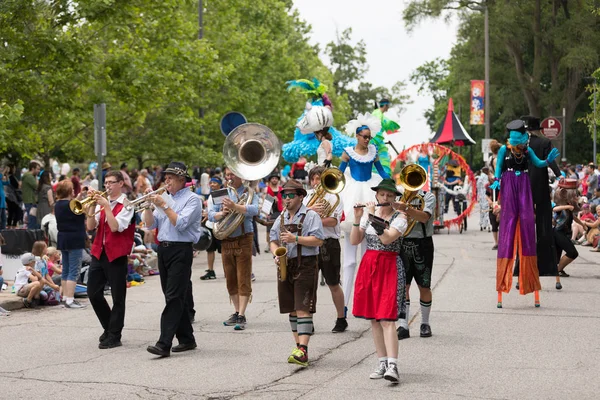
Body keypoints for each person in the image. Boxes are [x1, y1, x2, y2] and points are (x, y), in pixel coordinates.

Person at [491, 120, 560, 308]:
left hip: (523, 187)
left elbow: (538, 163)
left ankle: (530, 280)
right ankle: (503, 281)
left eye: (522, 143)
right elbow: (498, 167)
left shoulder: (527, 151)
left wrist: (547, 161)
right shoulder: (505, 150)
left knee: (528, 227)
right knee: (508, 226)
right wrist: (497, 180)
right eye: (518, 143)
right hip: (509, 185)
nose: (521, 146)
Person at [350, 179, 407, 384]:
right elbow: (355, 241)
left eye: (390, 196)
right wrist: (358, 219)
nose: (385, 198)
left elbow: (387, 238)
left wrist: (373, 216)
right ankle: (382, 362)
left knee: (387, 318)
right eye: (382, 194)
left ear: (394, 199)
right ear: (377, 196)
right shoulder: (367, 215)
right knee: (374, 318)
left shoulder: (401, 217)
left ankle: (393, 365)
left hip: (390, 265)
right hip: (369, 265)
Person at [143, 162, 202, 357]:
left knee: (174, 296)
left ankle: (164, 343)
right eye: (165, 177)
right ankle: (187, 339)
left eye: (170, 178)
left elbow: (181, 224)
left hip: (181, 249)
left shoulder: (193, 199)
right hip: (164, 249)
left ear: (182, 180)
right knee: (174, 296)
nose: (166, 181)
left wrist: (163, 205)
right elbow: (151, 225)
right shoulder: (164, 197)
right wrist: (149, 207)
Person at [269, 179, 324, 367]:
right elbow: (273, 240)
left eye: (291, 195)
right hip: (286, 264)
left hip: (306, 264)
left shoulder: (310, 216)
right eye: (284, 195)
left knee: (302, 307)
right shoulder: (282, 217)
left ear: (301, 196)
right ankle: (298, 347)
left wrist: (296, 239)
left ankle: (303, 350)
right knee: (291, 308)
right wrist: (276, 253)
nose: (286, 198)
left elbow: (318, 240)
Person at [339, 113, 389, 310]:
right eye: (365, 136)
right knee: (349, 261)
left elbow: (382, 172)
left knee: (368, 258)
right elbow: (338, 175)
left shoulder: (373, 152)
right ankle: (343, 306)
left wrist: (391, 182)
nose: (368, 140)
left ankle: (367, 303)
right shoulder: (348, 152)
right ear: (357, 136)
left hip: (370, 194)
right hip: (352, 194)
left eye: (369, 137)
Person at [86, 171, 135, 349]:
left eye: (111, 182)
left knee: (118, 297)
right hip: (99, 252)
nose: (107, 186)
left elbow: (115, 227)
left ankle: (115, 335)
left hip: (116, 255)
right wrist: (92, 205)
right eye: (106, 182)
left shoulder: (128, 204)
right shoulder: (101, 203)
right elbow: (90, 226)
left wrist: (106, 206)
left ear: (121, 183)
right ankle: (109, 327)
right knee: (93, 293)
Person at [208, 167, 259, 331]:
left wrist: (236, 207)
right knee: (230, 277)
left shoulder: (248, 191)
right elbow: (210, 214)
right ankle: (236, 311)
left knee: (243, 276)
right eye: (227, 174)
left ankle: (242, 314)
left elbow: (255, 210)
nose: (229, 177)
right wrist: (221, 213)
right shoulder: (221, 193)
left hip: (244, 237)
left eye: (232, 174)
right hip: (226, 238)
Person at [304, 166, 347, 332]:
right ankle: (308, 321)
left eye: (318, 178)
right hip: (310, 243)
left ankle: (341, 318)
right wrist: (310, 212)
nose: (316, 183)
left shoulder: (335, 196)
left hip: (329, 243)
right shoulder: (306, 197)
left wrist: (311, 217)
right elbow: (297, 218)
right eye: (313, 179)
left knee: (333, 283)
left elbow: (333, 221)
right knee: (309, 285)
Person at [521, 116, 563, 282]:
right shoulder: (544, 143)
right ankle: (548, 267)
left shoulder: (520, 144)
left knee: (525, 229)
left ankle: (522, 271)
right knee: (544, 227)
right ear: (537, 129)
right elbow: (550, 162)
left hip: (523, 188)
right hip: (540, 188)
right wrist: (559, 174)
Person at [393, 179, 437, 339]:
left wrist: (406, 208)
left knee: (424, 285)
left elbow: (424, 217)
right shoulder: (398, 197)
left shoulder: (428, 196)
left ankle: (425, 323)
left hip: (422, 244)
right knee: (403, 286)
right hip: (402, 243)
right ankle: (403, 325)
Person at [55, 180, 87, 308]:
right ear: (69, 191)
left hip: (63, 238)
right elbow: (83, 215)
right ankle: (70, 299)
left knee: (66, 270)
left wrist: (79, 197)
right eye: (72, 189)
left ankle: (65, 297)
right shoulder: (71, 205)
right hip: (75, 239)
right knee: (74, 271)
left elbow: (72, 207)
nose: (74, 191)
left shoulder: (58, 205)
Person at [553, 180, 581, 280]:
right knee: (572, 252)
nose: (576, 198)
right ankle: (558, 270)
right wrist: (567, 206)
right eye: (574, 195)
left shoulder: (569, 205)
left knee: (570, 253)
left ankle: (559, 269)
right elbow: (554, 209)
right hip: (557, 232)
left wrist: (583, 225)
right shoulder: (561, 205)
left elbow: (573, 217)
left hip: (564, 233)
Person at [200, 176, 223, 280]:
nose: (212, 184)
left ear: (220, 184)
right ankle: (210, 270)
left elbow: (218, 210)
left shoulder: (220, 194)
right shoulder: (210, 195)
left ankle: (227, 270)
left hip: (218, 226)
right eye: (211, 182)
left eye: (215, 183)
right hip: (210, 225)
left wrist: (209, 214)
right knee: (210, 249)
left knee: (223, 250)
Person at [263, 171, 283, 253]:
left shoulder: (281, 189)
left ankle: (279, 243)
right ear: (270, 180)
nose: (274, 180)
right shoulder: (266, 189)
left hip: (279, 210)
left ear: (278, 180)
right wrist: (271, 198)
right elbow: (264, 200)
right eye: (273, 178)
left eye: (276, 178)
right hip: (270, 212)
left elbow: (284, 200)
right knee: (269, 230)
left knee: (280, 228)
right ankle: (269, 244)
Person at [22, 162, 41, 229]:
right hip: (30, 201)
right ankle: (31, 237)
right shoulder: (29, 177)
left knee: (33, 220)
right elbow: (37, 187)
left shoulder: (29, 176)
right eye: (38, 169)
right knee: (32, 220)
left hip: (30, 200)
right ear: (33, 169)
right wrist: (36, 178)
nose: (39, 171)